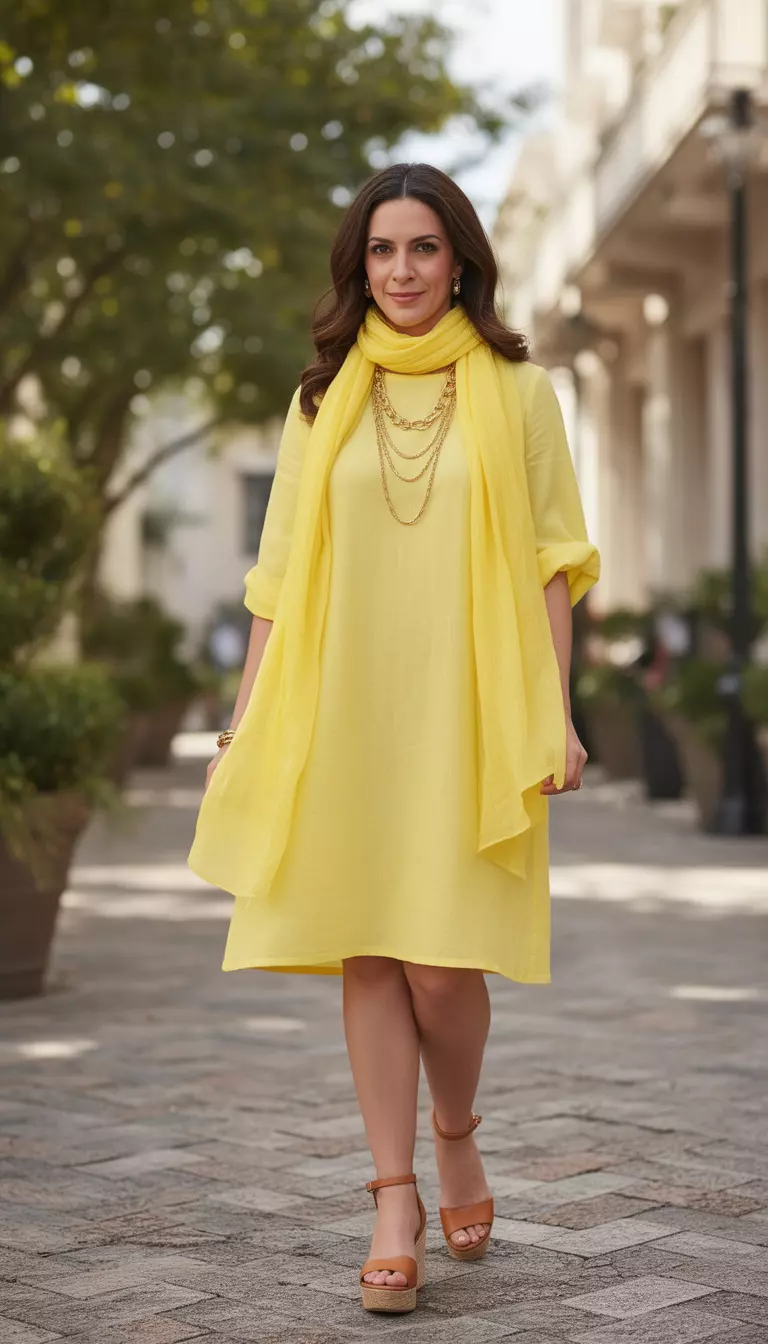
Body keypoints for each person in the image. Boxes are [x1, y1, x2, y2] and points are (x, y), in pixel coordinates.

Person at [188, 162, 600, 1315]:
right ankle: (392, 1196)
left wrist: (557, 710)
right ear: (357, 265)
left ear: (460, 258)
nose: (402, 271)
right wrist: (245, 713)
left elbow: (554, 563)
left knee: (442, 960)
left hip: (466, 702)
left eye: (422, 249)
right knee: (367, 946)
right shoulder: (321, 398)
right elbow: (273, 576)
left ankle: (456, 1132)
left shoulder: (518, 392)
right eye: (382, 251)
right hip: (341, 698)